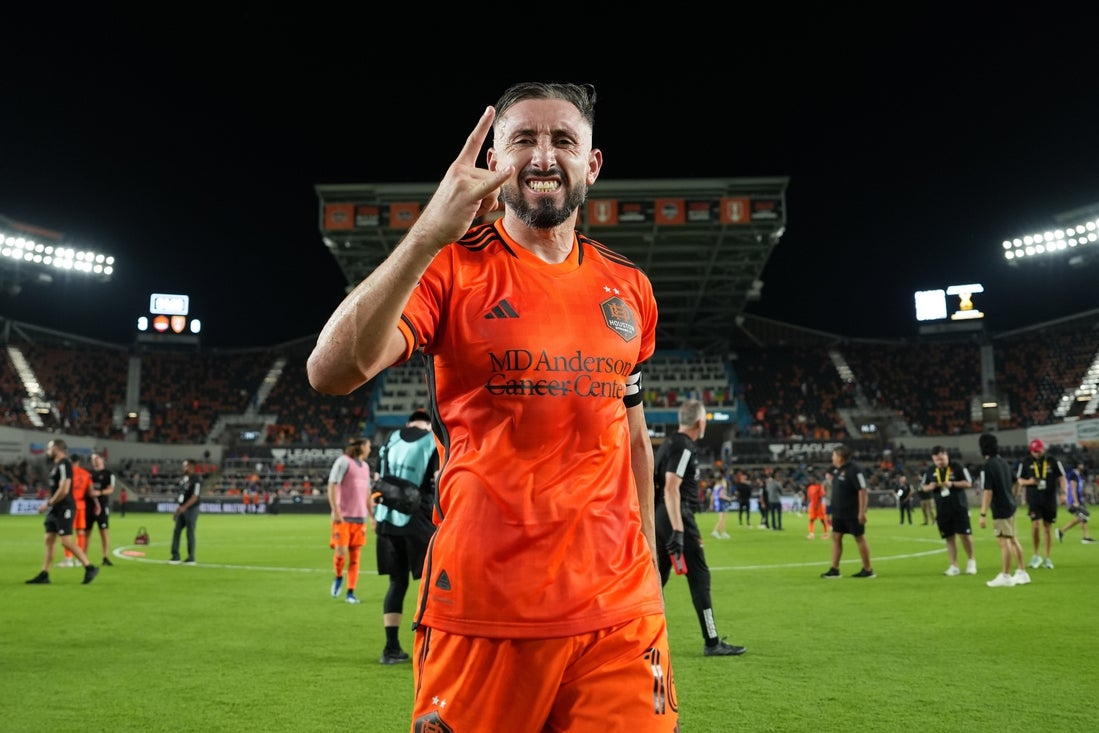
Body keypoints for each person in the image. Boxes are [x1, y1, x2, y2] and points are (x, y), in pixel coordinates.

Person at [307, 82, 677, 731]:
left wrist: (647, 562)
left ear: (591, 164)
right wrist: (427, 232)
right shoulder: (450, 268)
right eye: (522, 139)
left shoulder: (630, 288)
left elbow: (633, 433)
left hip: (620, 614)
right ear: (493, 162)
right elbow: (330, 371)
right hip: (481, 611)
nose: (543, 156)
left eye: (563, 140)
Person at [654, 400, 746, 657]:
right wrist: (678, 530)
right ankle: (712, 641)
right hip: (677, 515)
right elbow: (671, 487)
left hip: (660, 515)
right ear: (700, 422)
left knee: (658, 578)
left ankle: (641, 636)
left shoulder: (667, 444)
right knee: (700, 577)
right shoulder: (684, 446)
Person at [373, 409, 439, 664]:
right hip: (418, 520)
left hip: (387, 520)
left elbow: (378, 479)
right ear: (428, 424)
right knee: (432, 585)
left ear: (409, 423)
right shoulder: (432, 440)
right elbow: (438, 479)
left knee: (396, 583)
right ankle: (430, 649)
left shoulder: (391, 438)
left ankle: (391, 648)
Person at [25, 439, 100, 585]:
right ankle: (44, 574)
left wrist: (48, 503)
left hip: (65, 507)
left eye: (49, 448)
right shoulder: (57, 465)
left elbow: (64, 489)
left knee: (66, 541)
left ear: (56, 448)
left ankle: (90, 567)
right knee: (49, 539)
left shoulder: (65, 464)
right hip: (56, 508)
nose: (47, 451)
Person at [976, 433, 1030, 587]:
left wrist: (983, 514)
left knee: (1004, 541)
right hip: (1011, 506)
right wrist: (1013, 496)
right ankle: (1022, 572)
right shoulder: (1003, 462)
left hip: (1001, 508)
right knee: (1013, 539)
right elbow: (1018, 482)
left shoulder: (988, 466)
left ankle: (1005, 576)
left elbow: (988, 491)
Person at [327, 436, 373, 604]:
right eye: (368, 446)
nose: (370, 449)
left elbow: (367, 493)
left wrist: (373, 516)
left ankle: (350, 593)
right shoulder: (343, 462)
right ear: (361, 446)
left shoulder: (366, 467)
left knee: (355, 558)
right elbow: (332, 485)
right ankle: (339, 576)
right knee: (341, 553)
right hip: (343, 517)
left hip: (360, 518)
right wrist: (335, 510)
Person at [920, 446, 977, 577]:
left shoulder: (957, 467)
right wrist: (930, 486)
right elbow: (923, 487)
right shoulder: (930, 470)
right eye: (936, 460)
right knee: (949, 537)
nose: (940, 462)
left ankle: (971, 561)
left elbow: (968, 483)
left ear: (946, 455)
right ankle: (954, 565)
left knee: (965, 535)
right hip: (942, 508)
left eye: (942, 459)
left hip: (959, 507)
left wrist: (952, 484)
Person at [819, 445, 874, 579]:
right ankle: (834, 569)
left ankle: (868, 570)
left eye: (834, 455)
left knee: (859, 538)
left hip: (852, 512)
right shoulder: (837, 470)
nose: (832, 458)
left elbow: (862, 490)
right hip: (839, 512)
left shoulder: (855, 470)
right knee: (836, 537)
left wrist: (862, 512)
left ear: (840, 457)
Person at [1016, 438, 1067, 569]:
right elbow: (1019, 480)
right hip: (1034, 499)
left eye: (1039, 451)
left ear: (1043, 449)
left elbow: (1062, 477)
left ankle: (1047, 558)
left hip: (1049, 499)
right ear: (1031, 451)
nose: (1037, 453)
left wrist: (1063, 493)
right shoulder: (1025, 462)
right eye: (1035, 451)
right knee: (1035, 525)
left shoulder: (1052, 461)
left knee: (1048, 527)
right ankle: (1036, 555)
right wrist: (1029, 482)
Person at [59, 452, 94, 567]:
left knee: (67, 534)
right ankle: (79, 560)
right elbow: (91, 492)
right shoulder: (86, 474)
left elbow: (63, 488)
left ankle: (68, 559)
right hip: (82, 505)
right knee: (81, 533)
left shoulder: (68, 473)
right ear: (79, 462)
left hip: (69, 505)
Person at [169, 459, 201, 564]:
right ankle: (175, 556)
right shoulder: (183, 479)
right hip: (182, 508)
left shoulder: (196, 480)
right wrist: (178, 509)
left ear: (191, 466)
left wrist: (184, 507)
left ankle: (191, 557)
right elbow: (181, 495)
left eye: (185, 465)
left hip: (192, 509)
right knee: (176, 531)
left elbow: (195, 497)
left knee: (190, 532)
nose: (183, 467)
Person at [1057, 461, 1095, 543]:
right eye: (1081, 464)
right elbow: (1073, 488)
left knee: (1082, 518)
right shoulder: (1073, 475)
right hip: (1073, 500)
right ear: (1077, 465)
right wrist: (1076, 501)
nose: (1082, 465)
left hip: (1079, 499)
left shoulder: (1078, 475)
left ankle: (1085, 537)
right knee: (1085, 515)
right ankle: (1062, 531)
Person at [88, 452, 115, 566]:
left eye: (97, 458)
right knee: (86, 532)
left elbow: (111, 489)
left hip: (102, 506)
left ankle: (105, 557)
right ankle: (83, 557)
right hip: (88, 506)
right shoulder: (88, 473)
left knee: (104, 532)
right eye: (93, 459)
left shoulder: (108, 474)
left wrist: (99, 492)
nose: (95, 460)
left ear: (102, 459)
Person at [806, 474, 830, 539]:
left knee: (822, 520)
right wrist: (807, 505)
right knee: (811, 520)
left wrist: (818, 505)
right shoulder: (810, 487)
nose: (810, 480)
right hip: (812, 506)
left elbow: (821, 497)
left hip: (819, 506)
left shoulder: (819, 487)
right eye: (810, 479)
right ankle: (811, 534)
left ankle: (826, 533)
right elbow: (808, 497)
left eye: (812, 479)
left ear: (815, 479)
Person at [710, 472, 733, 539]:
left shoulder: (715, 486)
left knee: (722, 518)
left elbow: (712, 495)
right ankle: (715, 531)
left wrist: (711, 504)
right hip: (721, 503)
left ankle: (723, 532)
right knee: (722, 519)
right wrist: (728, 498)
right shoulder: (722, 487)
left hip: (717, 503)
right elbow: (721, 495)